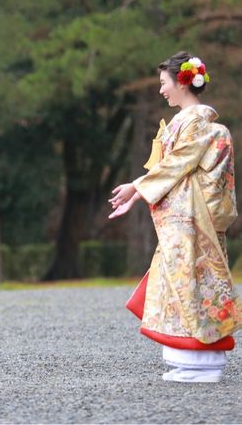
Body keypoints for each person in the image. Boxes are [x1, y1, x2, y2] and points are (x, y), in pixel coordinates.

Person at [109, 51, 241, 383]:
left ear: (182, 83)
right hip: (186, 218)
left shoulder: (195, 121)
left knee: (191, 285)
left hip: (192, 220)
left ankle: (203, 363)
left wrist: (136, 187)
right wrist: (137, 192)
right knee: (181, 283)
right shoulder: (187, 120)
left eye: (163, 83)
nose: (160, 90)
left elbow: (178, 163)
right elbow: (173, 167)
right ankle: (190, 361)